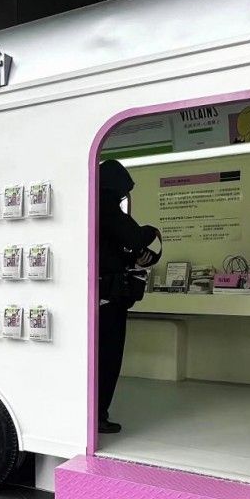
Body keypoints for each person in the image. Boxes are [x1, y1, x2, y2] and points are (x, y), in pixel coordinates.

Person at [99, 159, 161, 434]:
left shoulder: (88, 205)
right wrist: (151, 232)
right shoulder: (107, 205)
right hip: (109, 298)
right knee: (109, 357)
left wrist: (130, 255)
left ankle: (91, 413)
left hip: (95, 296)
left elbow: (108, 249)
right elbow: (134, 236)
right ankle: (99, 414)